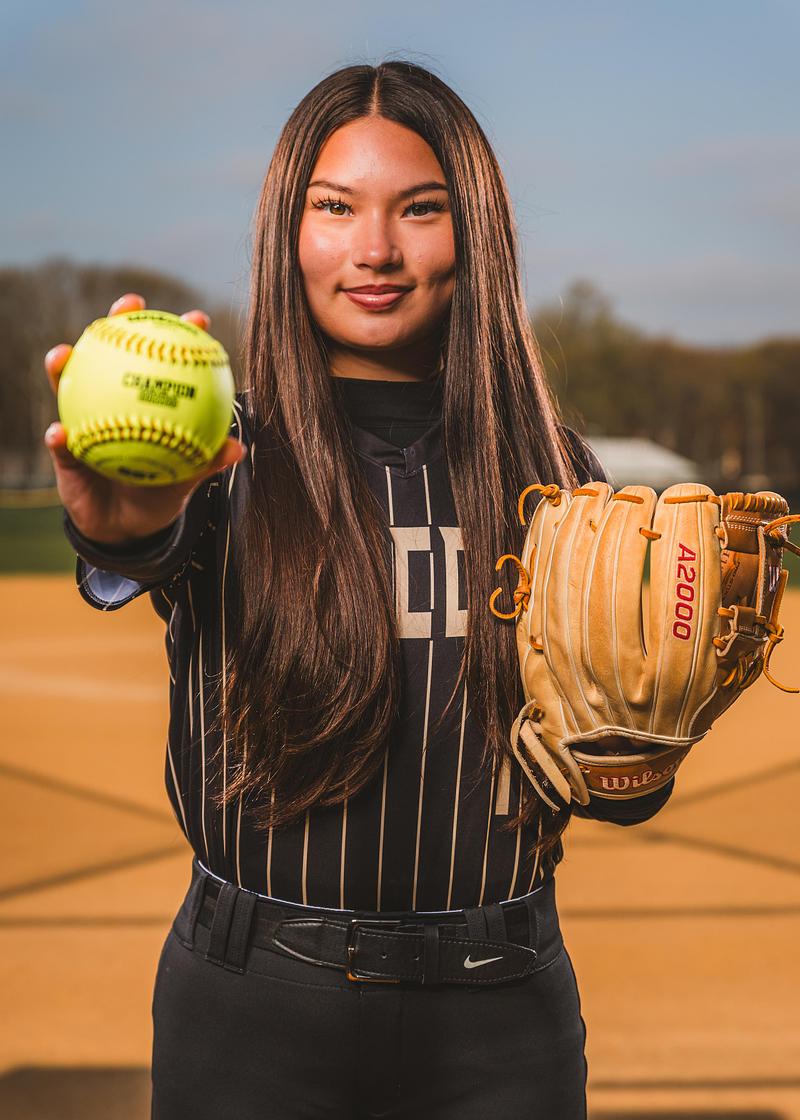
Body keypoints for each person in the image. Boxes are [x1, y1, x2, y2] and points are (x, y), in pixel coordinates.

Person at [45, 60, 673, 1120]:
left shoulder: (559, 476)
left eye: (418, 210)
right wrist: (126, 525)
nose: (374, 250)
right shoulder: (220, 450)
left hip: (501, 1015)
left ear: (473, 232)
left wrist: (642, 747)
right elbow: (137, 553)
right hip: (252, 1010)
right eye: (333, 208)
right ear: (286, 232)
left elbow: (612, 786)